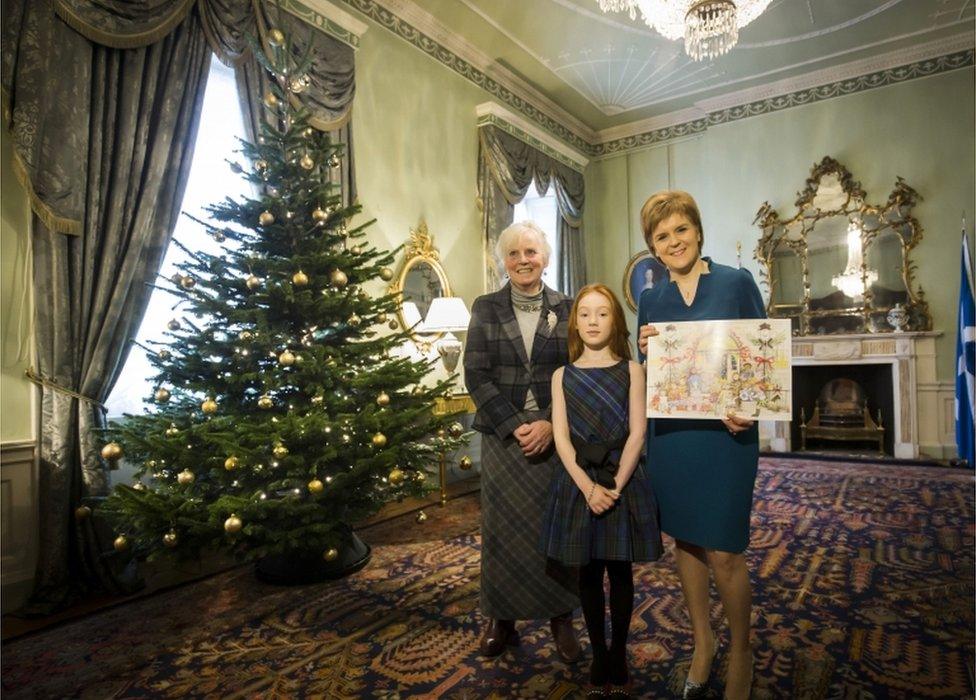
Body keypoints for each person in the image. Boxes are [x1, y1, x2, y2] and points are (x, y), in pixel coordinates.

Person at [636, 191, 764, 700]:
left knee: (726, 551)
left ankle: (742, 652)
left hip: (727, 436)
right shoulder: (650, 299)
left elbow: (762, 354)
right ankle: (703, 644)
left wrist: (750, 408)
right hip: (671, 438)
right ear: (653, 247)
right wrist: (644, 354)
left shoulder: (736, 281)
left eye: (680, 229)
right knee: (685, 541)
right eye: (662, 236)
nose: (674, 241)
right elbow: (648, 376)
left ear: (697, 229)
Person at [463, 221, 581, 663]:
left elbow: (577, 372)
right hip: (502, 434)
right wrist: (515, 424)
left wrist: (550, 423)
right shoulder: (486, 307)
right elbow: (475, 373)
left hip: (556, 433)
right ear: (504, 261)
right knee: (500, 531)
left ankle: (561, 617)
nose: (522, 260)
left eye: (530, 252)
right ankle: (500, 619)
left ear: (545, 258)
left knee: (557, 526)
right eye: (513, 254)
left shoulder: (568, 308)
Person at [541, 284, 662, 698]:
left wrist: (614, 485)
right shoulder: (562, 376)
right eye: (585, 314)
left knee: (620, 571)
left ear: (616, 321)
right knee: (588, 573)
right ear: (576, 322)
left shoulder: (632, 370)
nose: (593, 321)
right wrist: (588, 488)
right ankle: (597, 652)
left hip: (621, 482)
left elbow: (637, 433)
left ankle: (619, 651)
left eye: (603, 314)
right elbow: (561, 439)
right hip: (580, 484)